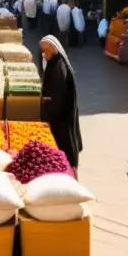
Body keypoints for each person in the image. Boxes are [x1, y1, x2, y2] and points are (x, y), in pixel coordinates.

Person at [39, 36, 83, 172]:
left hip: (62, 117)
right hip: (60, 114)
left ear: (53, 48)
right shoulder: (54, 62)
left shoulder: (59, 67)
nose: (43, 54)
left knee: (65, 148)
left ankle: (70, 173)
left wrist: (46, 112)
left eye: (45, 50)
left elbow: (57, 96)